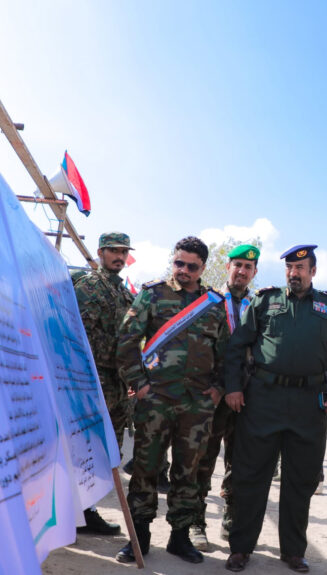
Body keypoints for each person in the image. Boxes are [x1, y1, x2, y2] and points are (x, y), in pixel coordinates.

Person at [223, 244, 327, 573]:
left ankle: (293, 551)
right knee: (251, 477)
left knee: (301, 480)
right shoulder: (265, 301)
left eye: (300, 268)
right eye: (289, 269)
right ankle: (240, 548)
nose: (294, 273)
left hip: (310, 403)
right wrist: (234, 387)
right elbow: (238, 345)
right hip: (263, 398)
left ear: (313, 271)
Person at [114, 236, 231, 565]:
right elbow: (127, 338)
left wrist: (218, 389)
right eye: (178, 263)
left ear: (202, 268)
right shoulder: (153, 295)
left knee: (188, 473)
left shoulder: (214, 303)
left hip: (196, 406)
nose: (183, 270)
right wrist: (138, 383)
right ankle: (139, 537)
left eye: (191, 266)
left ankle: (180, 538)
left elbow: (226, 353)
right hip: (156, 401)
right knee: (145, 468)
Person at [188, 244, 260, 550]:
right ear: (228, 267)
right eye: (237, 265)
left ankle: (231, 523)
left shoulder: (260, 305)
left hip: (249, 397)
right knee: (202, 461)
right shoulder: (208, 301)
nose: (241, 271)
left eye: (248, 267)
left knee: (241, 463)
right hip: (213, 395)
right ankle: (196, 523)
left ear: (254, 273)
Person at [73, 232, 135, 536]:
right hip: (94, 381)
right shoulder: (89, 287)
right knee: (85, 448)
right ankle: (79, 512)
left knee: (109, 451)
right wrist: (119, 355)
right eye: (113, 250)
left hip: (119, 386)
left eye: (123, 251)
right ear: (101, 252)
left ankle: (89, 509)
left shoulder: (125, 294)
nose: (119, 256)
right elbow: (83, 335)